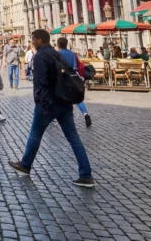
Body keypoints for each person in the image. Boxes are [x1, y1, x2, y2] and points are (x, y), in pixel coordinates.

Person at [8, 29, 95, 188]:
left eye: (33, 39)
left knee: (35, 133)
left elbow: (41, 82)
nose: (32, 42)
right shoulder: (57, 54)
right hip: (64, 101)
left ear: (40, 40)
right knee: (74, 138)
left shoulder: (41, 56)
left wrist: (40, 101)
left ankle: (26, 165)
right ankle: (86, 175)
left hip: (49, 102)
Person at [55, 37, 92, 127]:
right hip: (73, 78)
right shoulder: (72, 54)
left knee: (60, 98)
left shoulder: (57, 54)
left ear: (58, 45)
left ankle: (59, 117)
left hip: (62, 79)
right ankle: (85, 113)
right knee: (77, 98)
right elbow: (75, 66)